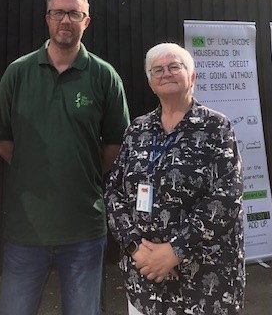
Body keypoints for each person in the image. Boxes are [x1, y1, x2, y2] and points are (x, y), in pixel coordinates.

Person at [0, 0, 130, 315]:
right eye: (58, 13)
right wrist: (34, 168)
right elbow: (1, 140)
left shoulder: (104, 76)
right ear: (47, 18)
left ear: (86, 21)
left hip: (84, 225)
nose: (65, 20)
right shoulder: (18, 72)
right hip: (27, 226)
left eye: (73, 13)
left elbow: (116, 144)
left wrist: (81, 171)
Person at [105, 42, 245, 315]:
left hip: (203, 285)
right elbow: (113, 191)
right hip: (145, 283)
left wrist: (175, 251)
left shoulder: (216, 127)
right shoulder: (137, 129)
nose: (165, 73)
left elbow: (227, 196)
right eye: (157, 70)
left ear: (192, 76)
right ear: (150, 83)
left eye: (174, 67)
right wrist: (135, 247)